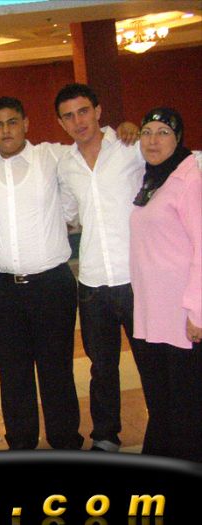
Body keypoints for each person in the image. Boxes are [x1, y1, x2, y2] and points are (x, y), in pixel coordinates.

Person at [0, 97, 83, 450]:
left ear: (26, 124)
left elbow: (91, 142)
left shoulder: (52, 157)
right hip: (1, 288)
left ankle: (65, 441)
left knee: (57, 369)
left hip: (51, 284)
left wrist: (122, 131)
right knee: (12, 372)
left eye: (13, 122)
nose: (6, 130)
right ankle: (21, 444)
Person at [55, 83, 145, 452]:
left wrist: (139, 127)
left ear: (98, 111)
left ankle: (171, 429)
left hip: (138, 278)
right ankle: (106, 436)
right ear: (61, 123)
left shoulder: (130, 147)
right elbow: (65, 213)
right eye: (69, 116)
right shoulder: (65, 165)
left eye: (83, 111)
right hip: (92, 283)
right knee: (102, 368)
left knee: (153, 361)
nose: (78, 121)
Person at [129, 107, 202, 463]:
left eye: (162, 133)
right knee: (161, 399)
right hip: (152, 312)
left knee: (186, 403)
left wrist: (197, 311)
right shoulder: (153, 180)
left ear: (178, 138)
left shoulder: (189, 180)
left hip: (181, 314)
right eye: (147, 132)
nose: (152, 141)